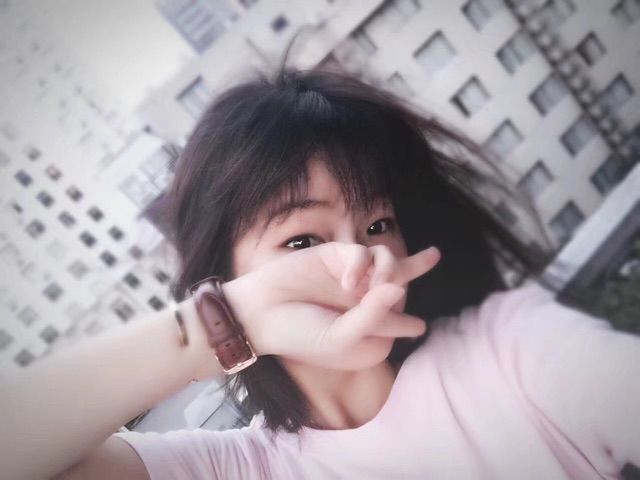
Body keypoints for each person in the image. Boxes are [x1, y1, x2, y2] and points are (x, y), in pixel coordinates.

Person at [1, 68, 639, 480]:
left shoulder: (509, 348)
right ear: (229, 277)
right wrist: (228, 322)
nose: (360, 258)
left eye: (377, 224)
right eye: (302, 240)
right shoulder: (230, 468)